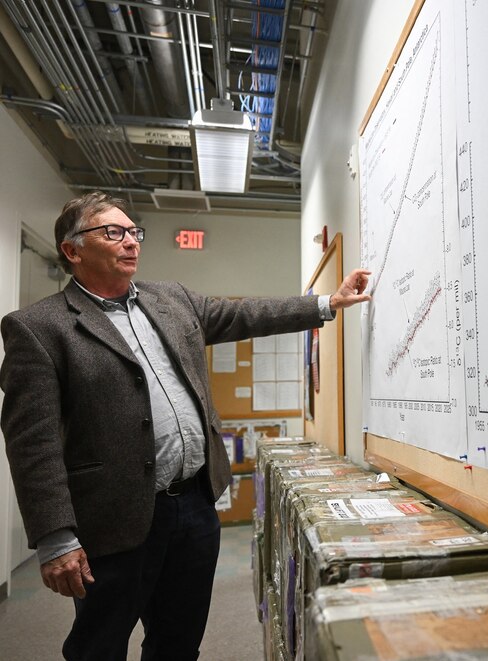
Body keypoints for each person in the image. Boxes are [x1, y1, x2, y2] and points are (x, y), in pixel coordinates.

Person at [0, 191, 371, 660]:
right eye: (113, 232)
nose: (131, 241)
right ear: (73, 250)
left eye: (134, 231)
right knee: (100, 645)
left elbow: (244, 315)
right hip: (113, 519)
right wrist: (56, 538)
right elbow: (31, 443)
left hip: (193, 507)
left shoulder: (171, 299)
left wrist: (327, 303)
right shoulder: (39, 327)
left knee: (178, 641)